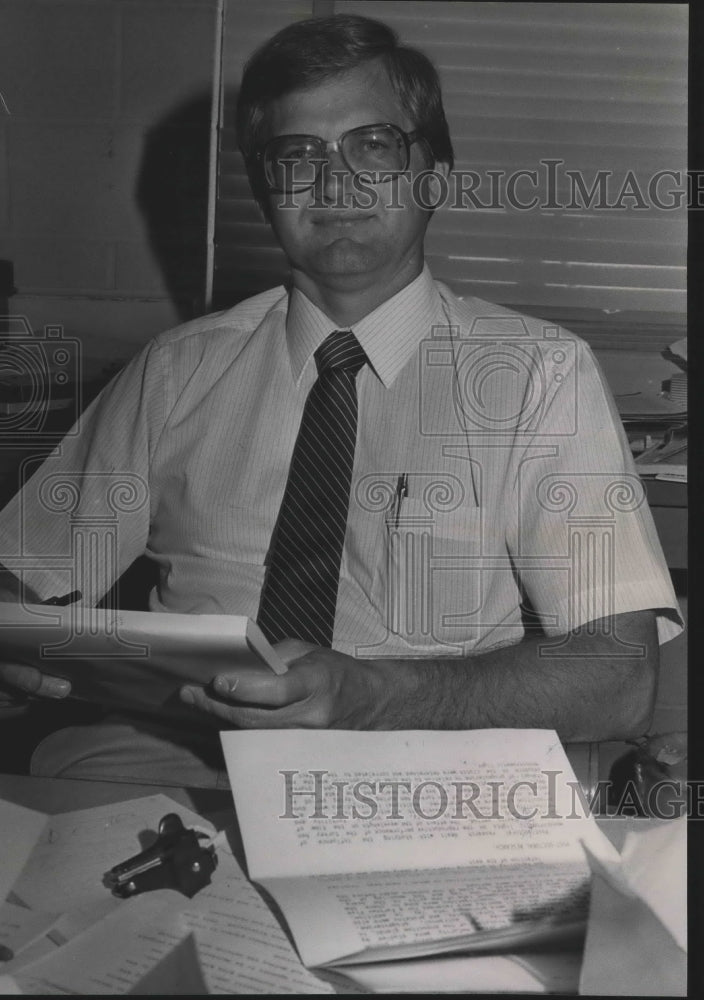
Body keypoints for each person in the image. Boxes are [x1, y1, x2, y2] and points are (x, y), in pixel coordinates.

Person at [0, 15, 681, 787]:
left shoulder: (540, 377)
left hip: (421, 775)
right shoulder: (174, 372)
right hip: (177, 760)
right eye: (298, 156)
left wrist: (370, 696)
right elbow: (20, 582)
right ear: (265, 193)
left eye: (374, 145)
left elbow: (618, 681)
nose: (334, 181)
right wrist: (18, 655)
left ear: (436, 177)